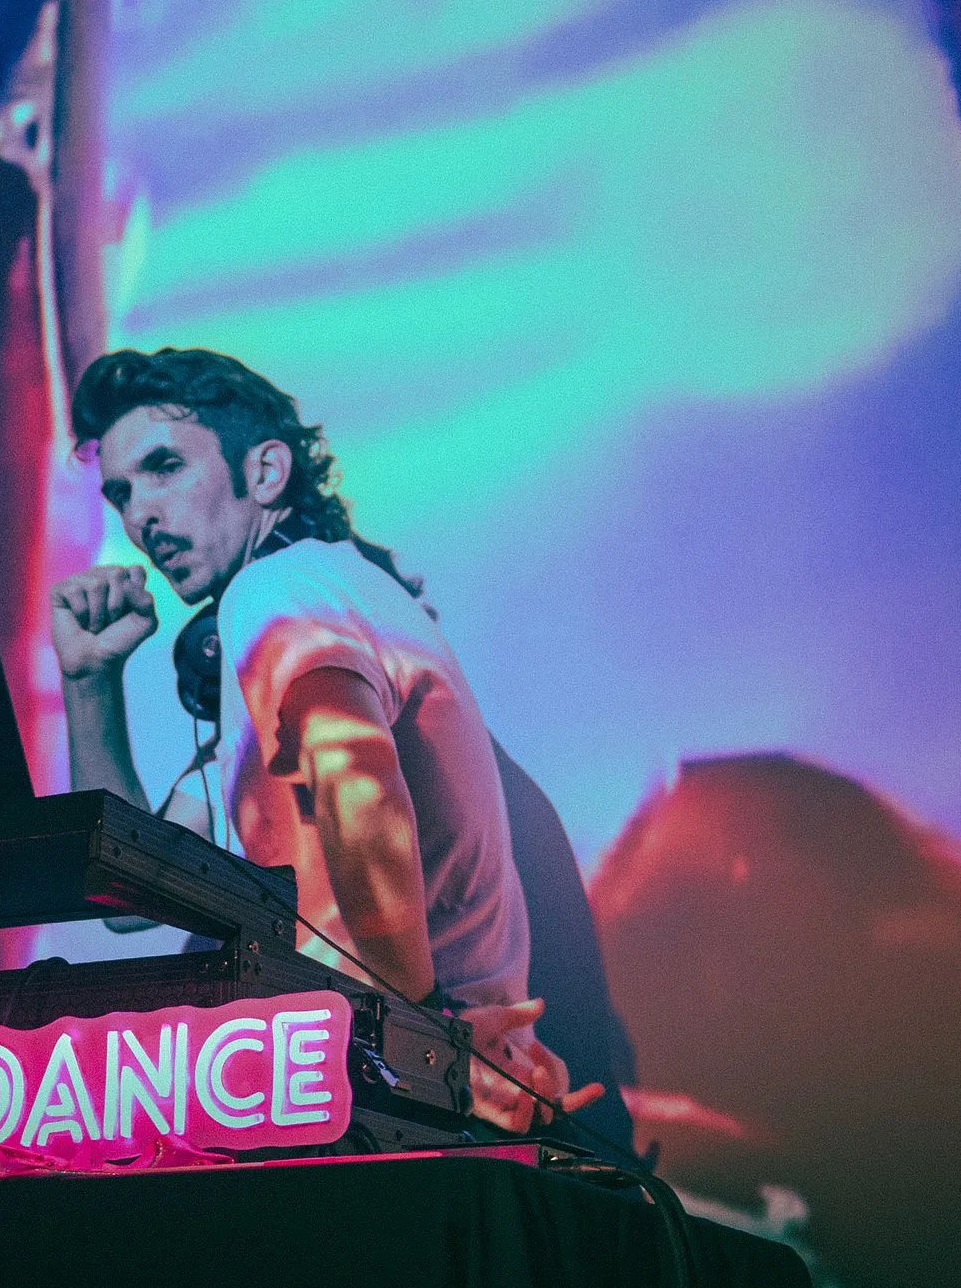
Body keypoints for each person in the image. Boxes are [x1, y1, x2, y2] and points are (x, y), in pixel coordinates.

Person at [52, 345, 600, 1134]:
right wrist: (89, 682)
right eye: (120, 492)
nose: (139, 514)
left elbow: (359, 786)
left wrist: (408, 1042)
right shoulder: (319, 591)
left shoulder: (276, 591)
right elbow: (133, 900)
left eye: (165, 467)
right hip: (427, 1084)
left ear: (266, 472)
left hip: (404, 1091)